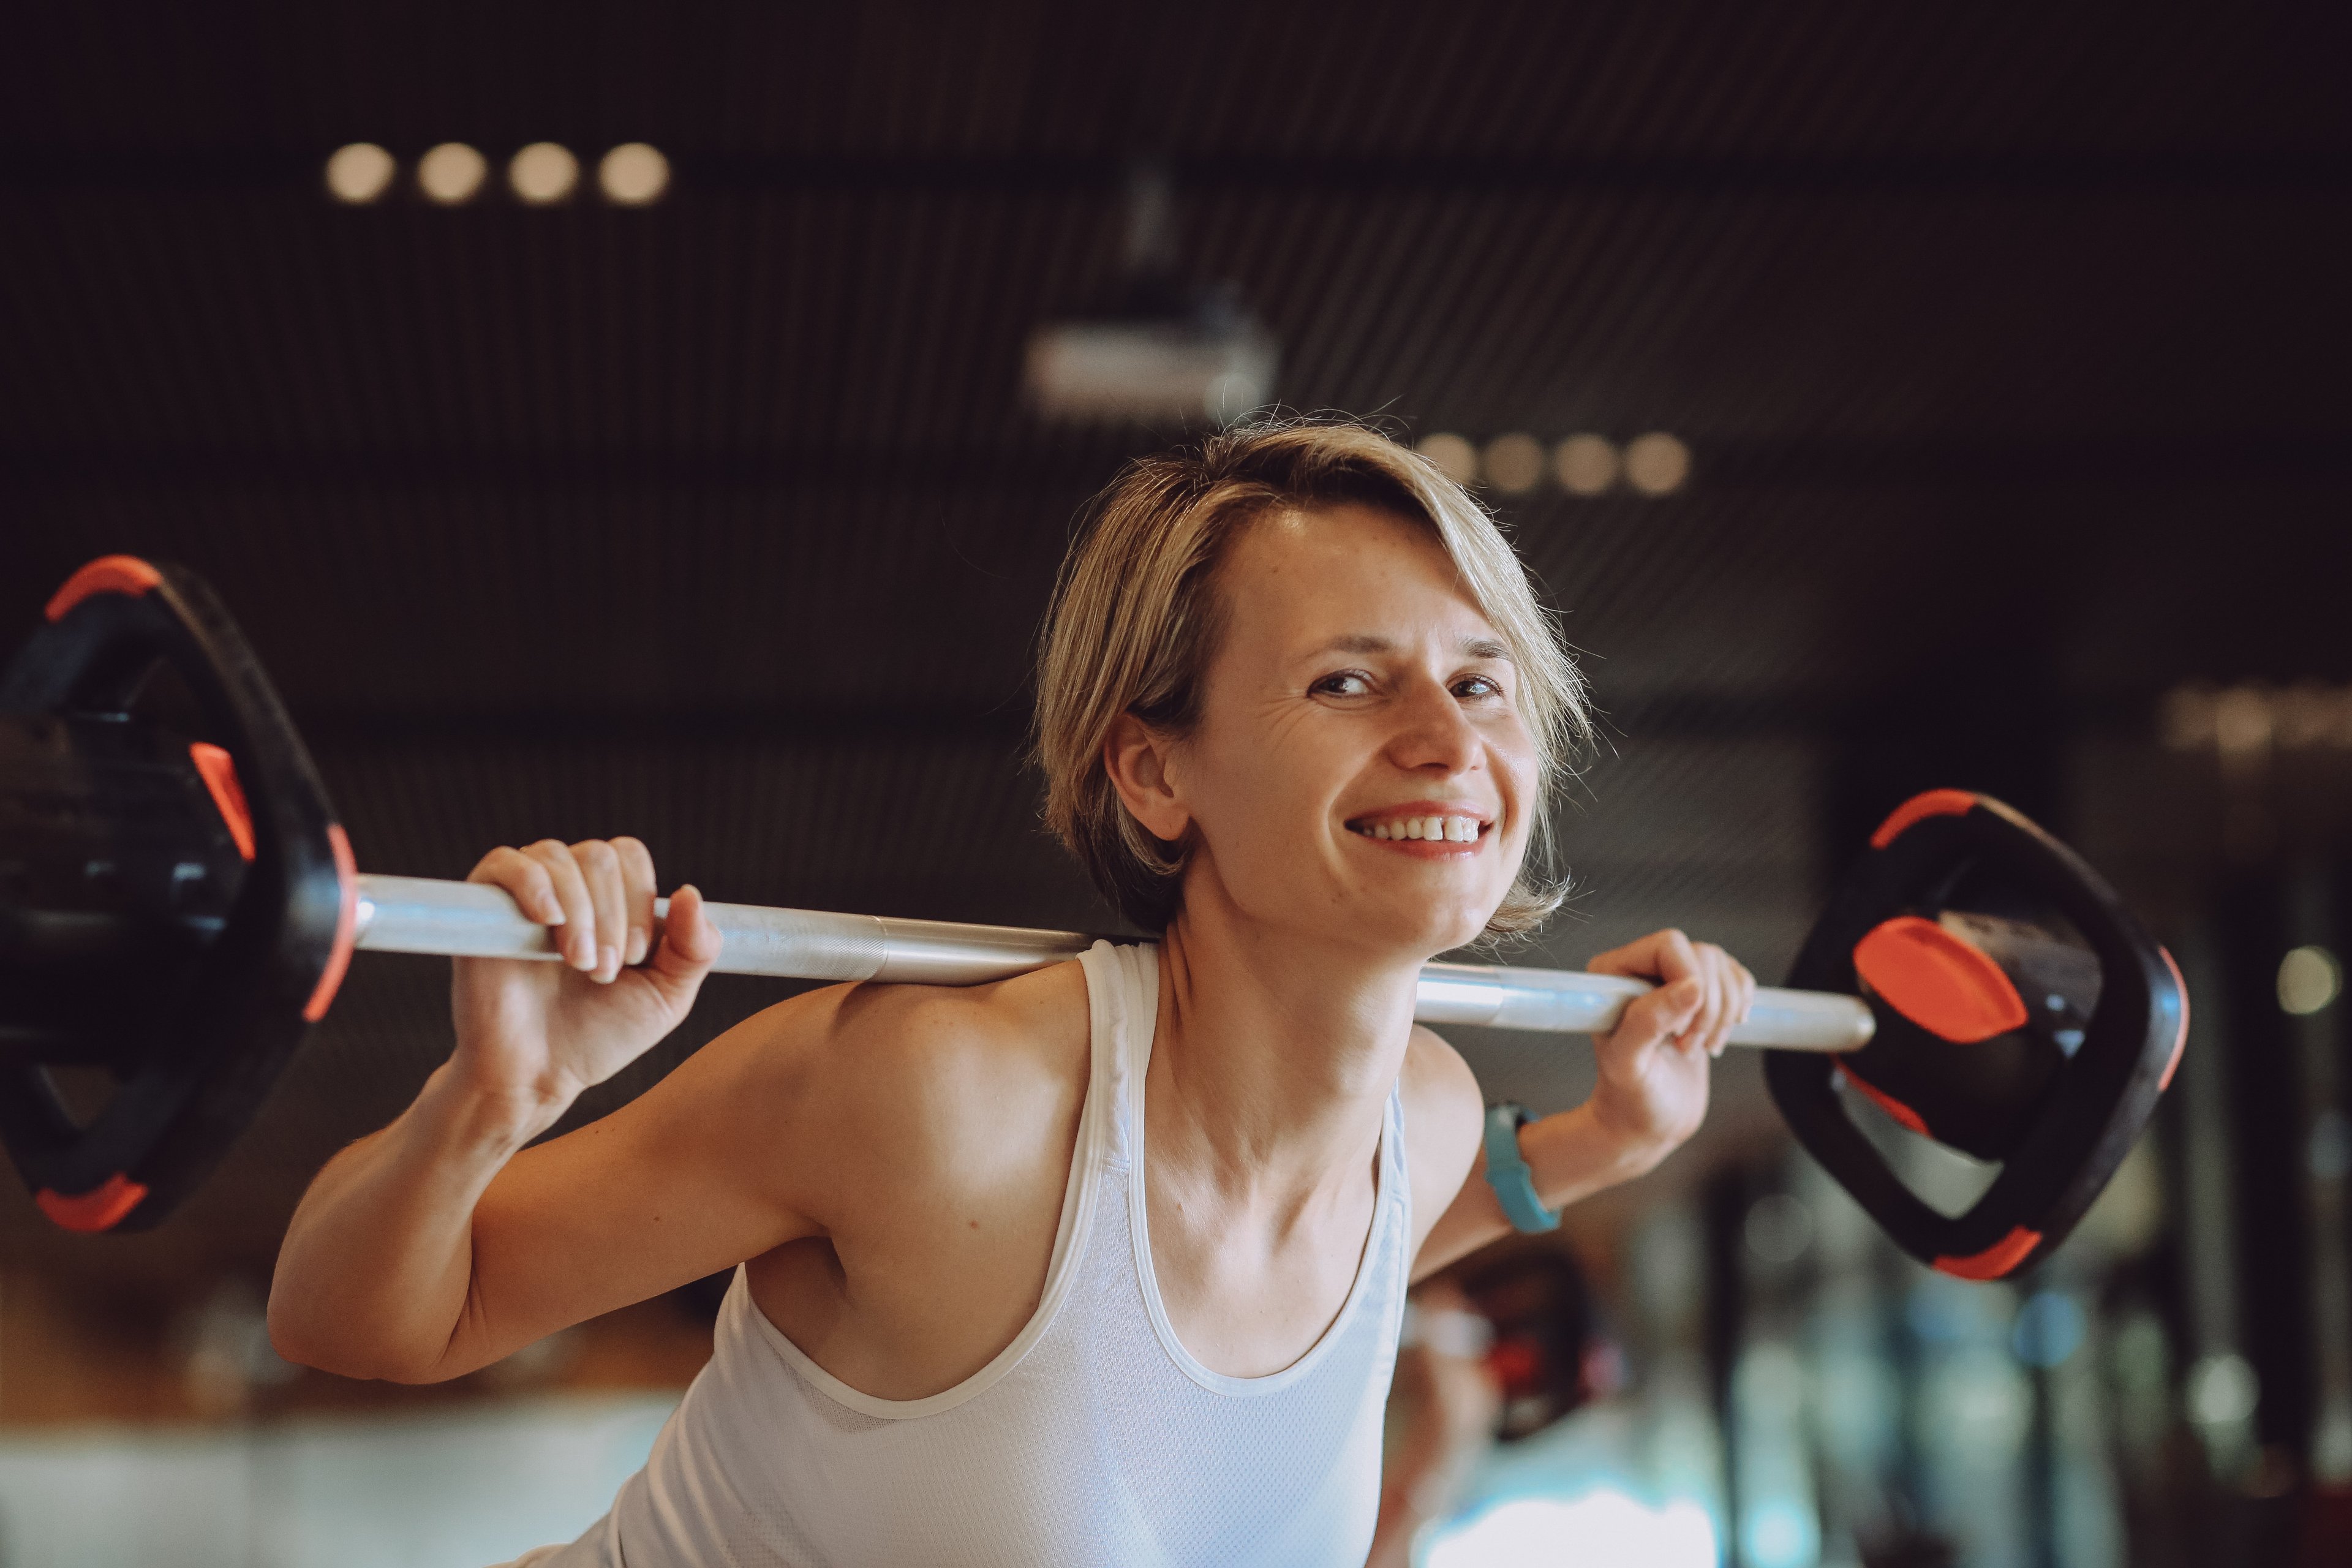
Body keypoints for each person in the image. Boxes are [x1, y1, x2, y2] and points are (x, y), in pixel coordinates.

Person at [267, 418, 1755, 1566]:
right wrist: (490, 1102)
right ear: (1154, 772)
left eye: (1482, 680)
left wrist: (1602, 1145)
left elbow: (1330, 1252)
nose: (1444, 737)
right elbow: (359, 1321)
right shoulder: (939, 1098)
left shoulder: (1419, 1119)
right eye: (1348, 683)